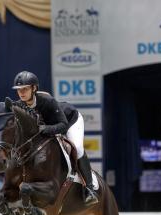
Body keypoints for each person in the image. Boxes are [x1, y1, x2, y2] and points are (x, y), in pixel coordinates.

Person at [12, 70, 98, 205]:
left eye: (25, 89)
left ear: (34, 88)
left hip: (70, 121)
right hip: (49, 128)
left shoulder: (47, 101)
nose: (21, 92)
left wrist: (47, 129)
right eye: (19, 90)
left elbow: (63, 125)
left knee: (78, 148)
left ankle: (90, 188)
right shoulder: (19, 106)